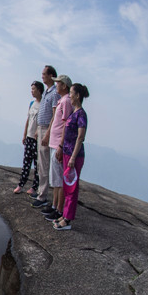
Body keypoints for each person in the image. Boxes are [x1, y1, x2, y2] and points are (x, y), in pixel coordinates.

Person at [54, 83, 89, 231]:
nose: (70, 96)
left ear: (77, 96)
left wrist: (73, 157)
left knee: (72, 187)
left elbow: (80, 137)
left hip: (75, 155)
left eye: (72, 93)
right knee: (67, 185)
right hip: (68, 153)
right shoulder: (74, 113)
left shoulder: (81, 114)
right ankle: (65, 215)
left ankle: (67, 220)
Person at [42, 75, 73, 222]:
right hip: (54, 143)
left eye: (58, 83)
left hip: (58, 145)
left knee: (59, 180)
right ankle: (54, 206)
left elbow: (66, 124)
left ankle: (59, 209)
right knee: (55, 180)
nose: (56, 85)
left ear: (64, 86)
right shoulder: (62, 100)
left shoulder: (66, 101)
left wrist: (61, 145)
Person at [32, 65, 60, 209]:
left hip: (47, 130)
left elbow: (55, 116)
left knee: (44, 164)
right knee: (40, 162)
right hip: (41, 129)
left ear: (51, 76)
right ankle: (39, 191)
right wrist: (37, 130)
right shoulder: (47, 92)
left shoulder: (54, 93)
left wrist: (47, 133)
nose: (42, 76)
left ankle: (42, 196)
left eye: (44, 74)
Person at [14, 81, 43, 194]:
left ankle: (34, 187)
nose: (31, 91)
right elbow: (28, 120)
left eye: (33, 89)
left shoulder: (43, 105)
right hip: (29, 137)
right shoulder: (32, 104)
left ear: (39, 90)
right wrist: (24, 134)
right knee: (26, 162)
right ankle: (21, 185)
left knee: (37, 164)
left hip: (37, 139)